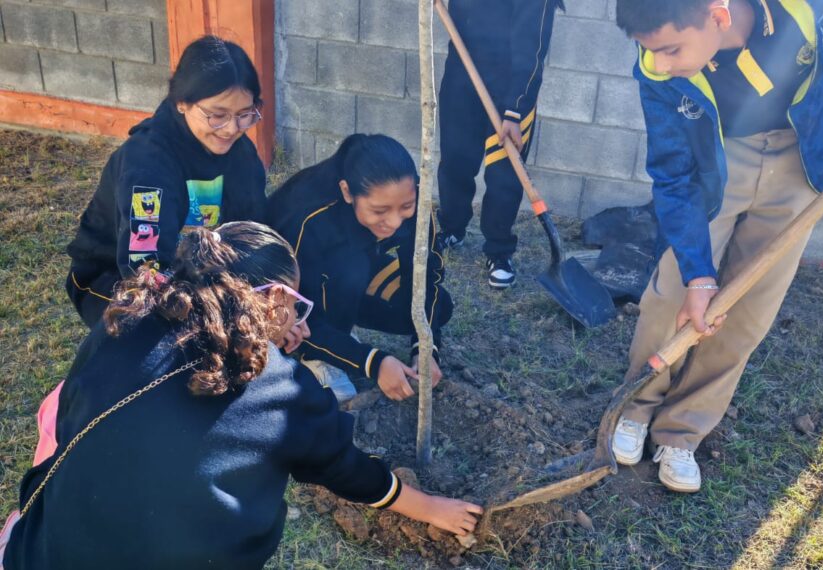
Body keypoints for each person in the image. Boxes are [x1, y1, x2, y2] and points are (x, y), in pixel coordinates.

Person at [2, 223, 482, 570]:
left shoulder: (123, 320)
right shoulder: (285, 390)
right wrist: (433, 508)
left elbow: (71, 414)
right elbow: (348, 471)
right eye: (296, 306)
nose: (300, 321)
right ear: (273, 300)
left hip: (41, 553)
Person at [611, 0, 823, 492]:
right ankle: (636, 407)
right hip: (719, 164)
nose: (660, 63)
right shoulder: (657, 73)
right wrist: (698, 274)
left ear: (718, 14)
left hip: (797, 163)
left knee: (749, 308)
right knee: (672, 294)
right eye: (651, 51)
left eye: (670, 48)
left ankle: (682, 431)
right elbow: (672, 173)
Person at [65, 35, 268, 328]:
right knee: (161, 331)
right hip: (112, 275)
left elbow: (253, 230)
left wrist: (266, 294)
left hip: (199, 270)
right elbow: (143, 270)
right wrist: (210, 311)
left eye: (244, 115)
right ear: (182, 102)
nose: (232, 129)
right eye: (218, 116)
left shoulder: (242, 153)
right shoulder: (147, 163)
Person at [268, 134, 451, 403]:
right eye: (379, 211)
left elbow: (425, 277)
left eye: (406, 207)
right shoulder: (310, 219)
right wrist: (372, 362)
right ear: (347, 192)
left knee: (440, 304)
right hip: (286, 287)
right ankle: (319, 355)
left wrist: (425, 348)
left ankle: (340, 326)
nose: (395, 222)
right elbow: (297, 310)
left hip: (358, 267)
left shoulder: (412, 199)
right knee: (351, 270)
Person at [435, 0, 564, 289]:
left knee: (504, 175)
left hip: (510, 89)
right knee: (456, 159)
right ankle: (451, 227)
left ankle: (499, 249)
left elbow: (533, 46)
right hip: (462, 73)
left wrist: (516, 108)